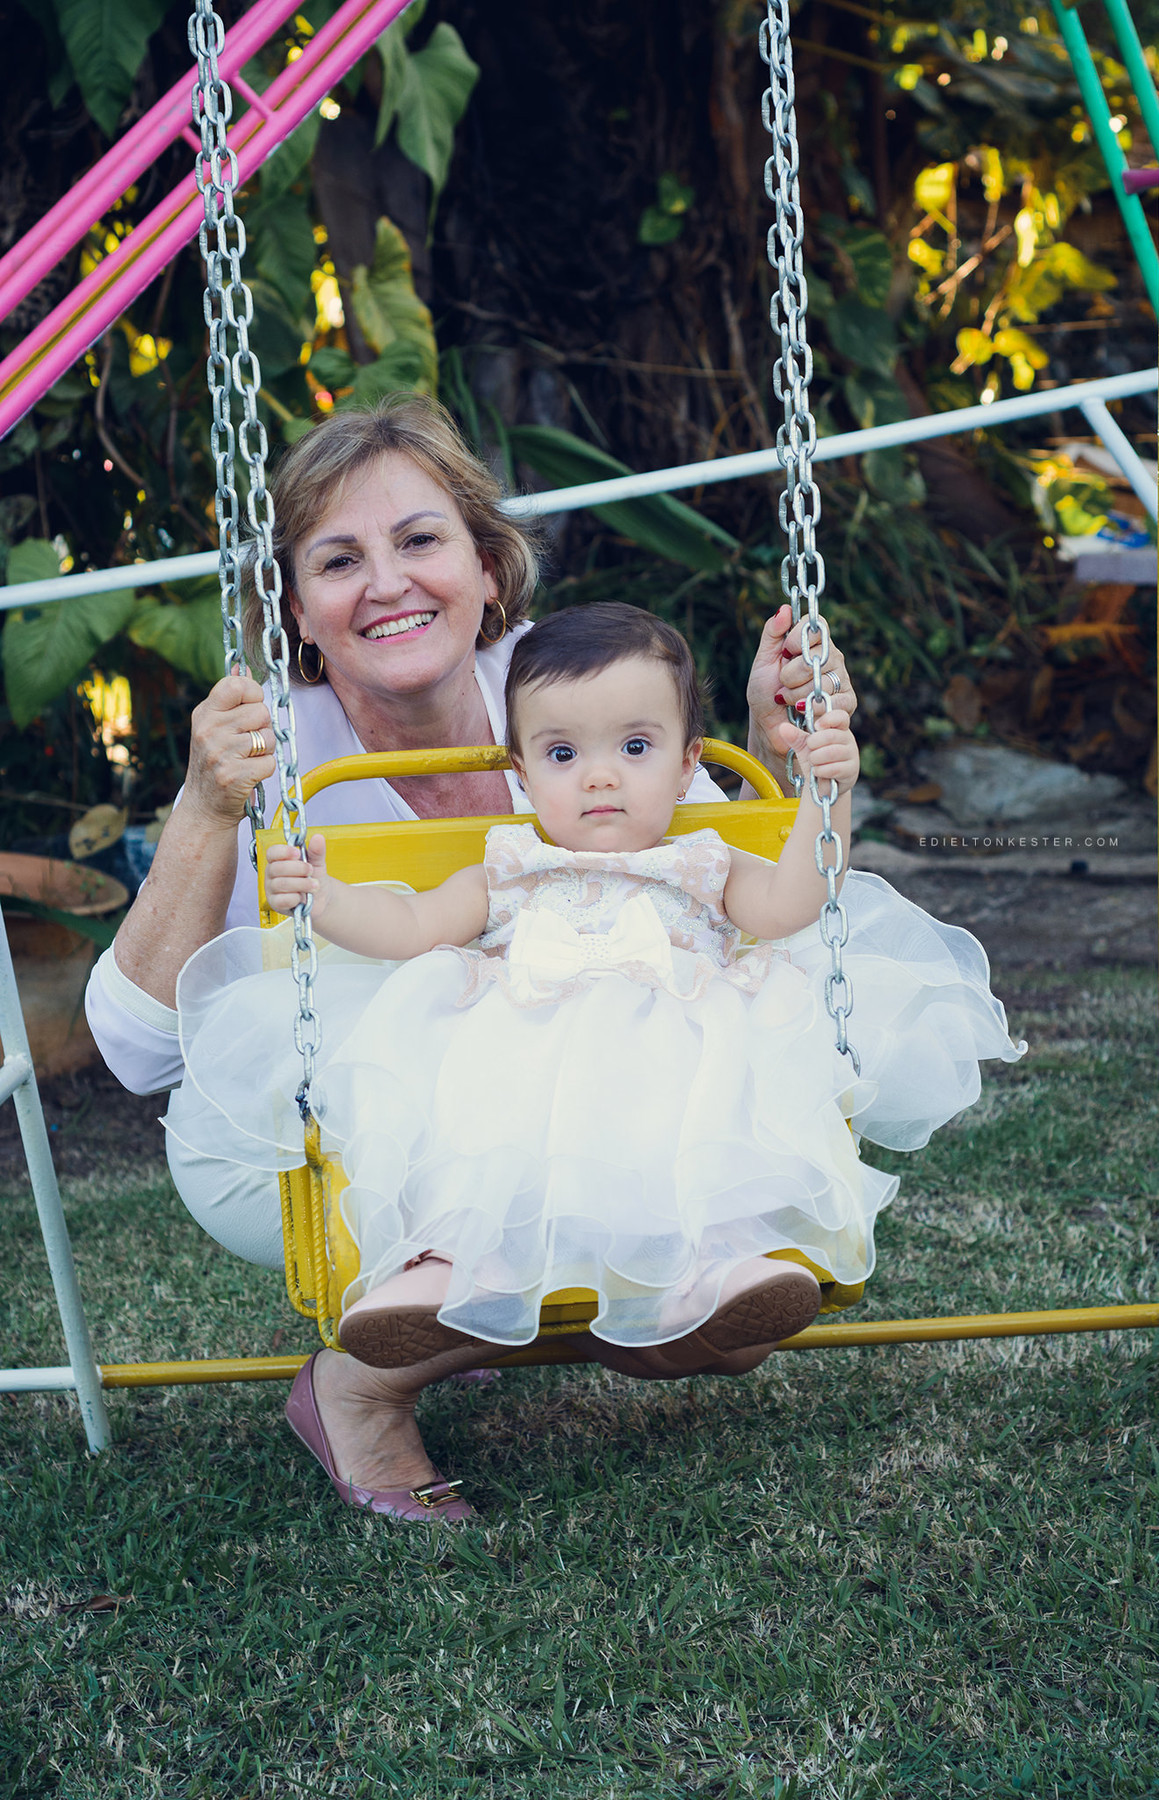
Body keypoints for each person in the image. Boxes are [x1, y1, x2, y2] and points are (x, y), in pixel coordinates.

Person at [83, 395, 865, 1522]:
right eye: (339, 559)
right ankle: (360, 1387)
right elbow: (136, 1054)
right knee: (607, 1233)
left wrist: (775, 748)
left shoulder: (577, 699)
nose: (387, 583)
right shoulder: (270, 747)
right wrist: (212, 809)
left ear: (488, 570)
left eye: (419, 541)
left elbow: (723, 911)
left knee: (717, 1330)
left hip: (598, 1079)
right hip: (326, 1124)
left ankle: (510, 1297)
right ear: (297, 611)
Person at [168, 603, 1023, 1523]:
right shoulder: (508, 865)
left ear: (690, 760)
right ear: (521, 771)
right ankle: (440, 1273)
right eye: (563, 755)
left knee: (702, 1142)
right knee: (473, 1145)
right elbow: (408, 929)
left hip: (667, 1072)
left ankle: (717, 1273)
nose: (600, 778)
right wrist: (324, 898)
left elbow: (788, 903)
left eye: (636, 747)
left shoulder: (702, 860)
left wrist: (828, 794)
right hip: (522, 1068)